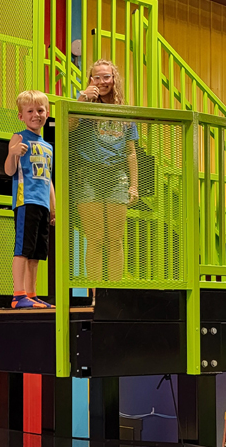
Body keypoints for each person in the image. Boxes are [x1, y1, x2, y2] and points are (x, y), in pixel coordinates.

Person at [71, 59, 139, 302]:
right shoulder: (84, 105)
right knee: (96, 237)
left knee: (115, 238)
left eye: (106, 77)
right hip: (88, 174)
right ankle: (96, 296)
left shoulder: (124, 112)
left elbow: (131, 151)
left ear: (114, 79)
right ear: (90, 80)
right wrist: (81, 100)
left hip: (116, 175)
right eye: (96, 77)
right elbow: (67, 127)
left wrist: (134, 185)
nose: (101, 82)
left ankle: (115, 296)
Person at [4, 90, 56, 309]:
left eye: (40, 110)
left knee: (36, 252)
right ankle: (18, 294)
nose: (36, 114)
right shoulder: (19, 137)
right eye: (30, 111)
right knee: (23, 249)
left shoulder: (48, 146)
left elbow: (48, 179)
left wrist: (53, 208)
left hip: (43, 204)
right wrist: (13, 153)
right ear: (21, 116)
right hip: (27, 200)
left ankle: (32, 294)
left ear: (47, 113)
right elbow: (8, 171)